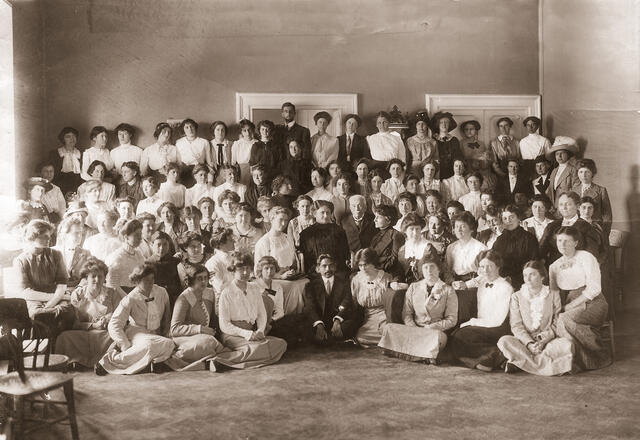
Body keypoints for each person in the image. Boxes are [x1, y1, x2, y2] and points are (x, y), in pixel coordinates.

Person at [549, 226, 611, 370]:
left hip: (594, 302)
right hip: (569, 302)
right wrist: (557, 310)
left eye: (566, 241)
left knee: (564, 320)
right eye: (559, 241)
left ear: (575, 243)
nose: (562, 244)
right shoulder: (554, 266)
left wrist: (570, 307)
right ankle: (580, 360)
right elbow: (554, 293)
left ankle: (599, 354)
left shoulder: (586, 257)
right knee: (561, 321)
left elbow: (595, 288)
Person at [96, 263, 175, 375]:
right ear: (137, 281)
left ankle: (150, 362)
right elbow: (114, 324)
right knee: (150, 345)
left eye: (152, 279)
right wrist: (124, 343)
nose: (150, 283)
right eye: (146, 280)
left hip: (157, 335)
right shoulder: (130, 299)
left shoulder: (161, 292)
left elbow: (167, 317)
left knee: (168, 343)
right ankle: (109, 362)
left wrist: (166, 333)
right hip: (138, 334)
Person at [497, 260, 573, 375]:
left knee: (567, 344)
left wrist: (543, 340)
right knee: (504, 341)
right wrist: (529, 344)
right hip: (525, 343)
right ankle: (546, 365)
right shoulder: (516, 296)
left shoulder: (553, 294)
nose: (527, 279)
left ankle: (523, 363)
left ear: (542, 277)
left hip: (548, 341)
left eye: (532, 274)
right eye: (525, 275)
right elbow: (516, 326)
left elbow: (557, 321)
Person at [379, 254, 457, 363]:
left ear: (439, 269)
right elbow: (407, 314)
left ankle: (408, 350)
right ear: (422, 270)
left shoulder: (448, 290)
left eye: (432, 267)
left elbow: (452, 320)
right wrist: (413, 327)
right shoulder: (413, 287)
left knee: (437, 338)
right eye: (425, 267)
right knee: (388, 328)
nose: (429, 271)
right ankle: (424, 354)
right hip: (414, 329)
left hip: (433, 332)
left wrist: (430, 327)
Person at [218, 252, 287, 368]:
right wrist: (247, 334)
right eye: (240, 269)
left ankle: (239, 358)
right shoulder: (226, 292)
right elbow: (224, 325)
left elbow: (261, 314)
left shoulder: (254, 288)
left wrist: (260, 330)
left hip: (253, 332)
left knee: (281, 344)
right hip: (233, 334)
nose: (245, 273)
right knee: (258, 348)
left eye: (248, 269)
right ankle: (222, 361)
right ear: (233, 270)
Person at [450, 250, 513, 371]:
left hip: (498, 327)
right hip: (483, 325)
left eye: (490, 266)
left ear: (498, 267)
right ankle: (486, 360)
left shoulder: (505, 287)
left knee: (461, 335)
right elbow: (470, 283)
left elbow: (498, 320)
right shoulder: (482, 281)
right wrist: (461, 284)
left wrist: (471, 322)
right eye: (482, 267)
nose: (486, 270)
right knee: (456, 337)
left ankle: (496, 354)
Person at [55, 257, 122, 368]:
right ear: (86, 278)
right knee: (64, 337)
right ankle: (77, 361)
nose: (97, 279)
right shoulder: (78, 294)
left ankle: (102, 363)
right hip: (84, 332)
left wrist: (109, 319)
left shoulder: (112, 293)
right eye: (93, 276)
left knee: (117, 338)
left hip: (105, 333)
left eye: (100, 276)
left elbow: (120, 318)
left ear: (105, 277)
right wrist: (93, 325)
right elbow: (75, 323)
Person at [170, 264, 238, 369]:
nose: (203, 282)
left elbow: (214, 320)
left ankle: (207, 362)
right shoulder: (184, 299)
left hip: (205, 337)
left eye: (206, 278)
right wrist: (199, 329)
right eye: (199, 278)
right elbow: (174, 329)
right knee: (206, 343)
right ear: (191, 280)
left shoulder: (209, 293)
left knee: (221, 342)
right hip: (184, 338)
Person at [14, 219, 76, 333]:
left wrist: (52, 302)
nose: (49, 239)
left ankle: (60, 344)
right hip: (34, 299)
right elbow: (25, 292)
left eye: (49, 236)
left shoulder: (55, 254)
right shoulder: (21, 260)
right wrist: (54, 298)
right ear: (32, 237)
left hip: (58, 296)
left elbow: (62, 284)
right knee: (38, 315)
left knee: (67, 311)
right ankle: (43, 347)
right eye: (44, 236)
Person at [304, 254, 362, 345]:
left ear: (335, 267)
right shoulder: (310, 286)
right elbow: (310, 307)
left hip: (339, 320)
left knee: (352, 323)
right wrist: (319, 324)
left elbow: (346, 302)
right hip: (320, 320)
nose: (328, 269)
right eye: (324, 266)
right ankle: (334, 340)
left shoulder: (344, 283)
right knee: (305, 327)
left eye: (331, 265)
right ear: (318, 269)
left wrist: (337, 320)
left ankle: (328, 339)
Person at [255, 256, 307, 346]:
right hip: (258, 322)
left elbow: (279, 309)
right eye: (266, 268)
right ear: (261, 270)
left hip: (273, 321)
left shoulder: (277, 287)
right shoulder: (254, 286)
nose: (269, 272)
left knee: (299, 320)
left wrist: (272, 319)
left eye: (272, 268)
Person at [539, 191, 602, 264]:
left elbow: (591, 255)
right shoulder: (552, 226)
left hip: (578, 269)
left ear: (578, 206)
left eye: (568, 204)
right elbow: (541, 251)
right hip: (554, 268)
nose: (564, 208)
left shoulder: (586, 227)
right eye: (561, 204)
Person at [350, 248, 393, 346]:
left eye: (366, 264)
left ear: (373, 263)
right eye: (360, 265)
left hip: (385, 315)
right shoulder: (356, 280)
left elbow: (391, 303)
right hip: (368, 317)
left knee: (388, 334)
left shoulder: (386, 278)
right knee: (361, 337)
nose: (363, 268)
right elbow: (354, 303)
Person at [492, 205, 539, 287]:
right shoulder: (499, 240)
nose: (508, 221)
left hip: (525, 281)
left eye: (512, 217)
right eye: (505, 218)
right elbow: (494, 262)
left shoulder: (529, 238)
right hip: (502, 282)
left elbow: (533, 263)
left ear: (518, 218)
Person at [299, 200, 350, 275]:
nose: (326, 216)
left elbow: (345, 254)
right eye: (322, 212)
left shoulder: (339, 231)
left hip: (337, 272)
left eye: (328, 213)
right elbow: (307, 259)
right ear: (315, 214)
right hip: (315, 273)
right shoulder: (306, 234)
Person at [572, 158, 612, 237]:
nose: (584, 175)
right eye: (581, 172)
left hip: (595, 230)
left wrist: (604, 234)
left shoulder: (601, 190)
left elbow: (607, 215)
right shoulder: (573, 190)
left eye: (587, 172)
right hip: (577, 230)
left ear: (592, 173)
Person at [105, 219, 146, 292]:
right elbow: (112, 286)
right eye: (136, 235)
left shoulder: (139, 255)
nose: (140, 238)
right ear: (126, 237)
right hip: (120, 296)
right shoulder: (117, 257)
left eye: (140, 234)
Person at [53, 216, 93, 289]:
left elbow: (89, 275)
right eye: (76, 233)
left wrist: (80, 287)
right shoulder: (52, 252)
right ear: (65, 235)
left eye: (80, 233)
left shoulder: (86, 253)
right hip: (54, 291)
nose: (79, 236)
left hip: (76, 291)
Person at [147, 230, 182, 307]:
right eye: (158, 245)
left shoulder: (175, 261)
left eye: (165, 244)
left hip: (174, 300)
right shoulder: (147, 264)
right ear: (152, 245)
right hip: (155, 302)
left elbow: (180, 284)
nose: (162, 248)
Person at [459, 120, 496, 191]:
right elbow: (460, 157)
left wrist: (486, 158)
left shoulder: (481, 143)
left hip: (481, 171)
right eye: (466, 129)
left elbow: (486, 159)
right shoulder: (462, 143)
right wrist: (472, 157)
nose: (469, 131)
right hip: (468, 170)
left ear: (476, 130)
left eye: (471, 129)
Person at [397, 214, 433, 284]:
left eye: (417, 229)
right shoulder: (402, 250)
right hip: (406, 285)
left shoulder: (428, 248)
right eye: (411, 229)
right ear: (405, 231)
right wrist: (397, 282)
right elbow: (399, 272)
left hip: (425, 285)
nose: (415, 233)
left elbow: (431, 274)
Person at [370, 205, 405, 278]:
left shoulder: (396, 235)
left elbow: (395, 260)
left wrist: (376, 270)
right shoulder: (376, 236)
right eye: (375, 217)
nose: (374, 220)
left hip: (390, 273)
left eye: (378, 217)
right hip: (376, 271)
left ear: (388, 220)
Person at [176, 118, 211, 186]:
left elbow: (209, 161)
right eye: (187, 127)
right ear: (184, 130)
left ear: (195, 128)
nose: (190, 129)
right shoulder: (179, 142)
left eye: (192, 126)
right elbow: (178, 161)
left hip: (199, 171)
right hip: (184, 171)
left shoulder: (204, 142)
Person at [545, 136, 579, 205]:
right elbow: (550, 190)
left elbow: (576, 190)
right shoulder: (554, 171)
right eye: (557, 154)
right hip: (554, 205)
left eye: (562, 153)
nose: (559, 156)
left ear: (568, 155)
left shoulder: (573, 170)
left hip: (566, 204)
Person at [341, 195, 377, 260]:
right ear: (350, 208)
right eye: (354, 206)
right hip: (351, 257)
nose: (356, 209)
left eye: (359, 205)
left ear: (365, 207)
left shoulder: (373, 220)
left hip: (369, 257)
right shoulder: (344, 222)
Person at [205, 227, 236, 300]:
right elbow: (220, 287)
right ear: (221, 244)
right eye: (230, 240)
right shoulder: (212, 263)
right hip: (223, 300)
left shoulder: (235, 257)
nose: (234, 241)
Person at [50, 126, 82, 195]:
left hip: (78, 186)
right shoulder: (55, 154)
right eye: (68, 136)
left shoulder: (81, 154)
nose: (72, 139)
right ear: (63, 139)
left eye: (74, 136)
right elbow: (52, 175)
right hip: (59, 187)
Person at [430, 112, 463, 180]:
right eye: (441, 122)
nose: (444, 125)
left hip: (451, 171)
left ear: (449, 124)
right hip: (437, 171)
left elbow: (457, 155)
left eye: (446, 122)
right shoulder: (433, 140)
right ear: (438, 125)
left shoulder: (454, 140)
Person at [231, 119, 258, 186]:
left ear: (252, 130)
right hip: (242, 171)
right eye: (244, 131)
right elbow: (233, 162)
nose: (247, 133)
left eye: (249, 130)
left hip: (256, 169)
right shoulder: (237, 144)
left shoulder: (257, 143)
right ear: (241, 132)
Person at [210, 120, 232, 185]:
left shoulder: (231, 144)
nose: (220, 132)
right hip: (214, 171)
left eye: (223, 130)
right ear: (213, 131)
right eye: (218, 130)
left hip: (227, 169)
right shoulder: (209, 144)